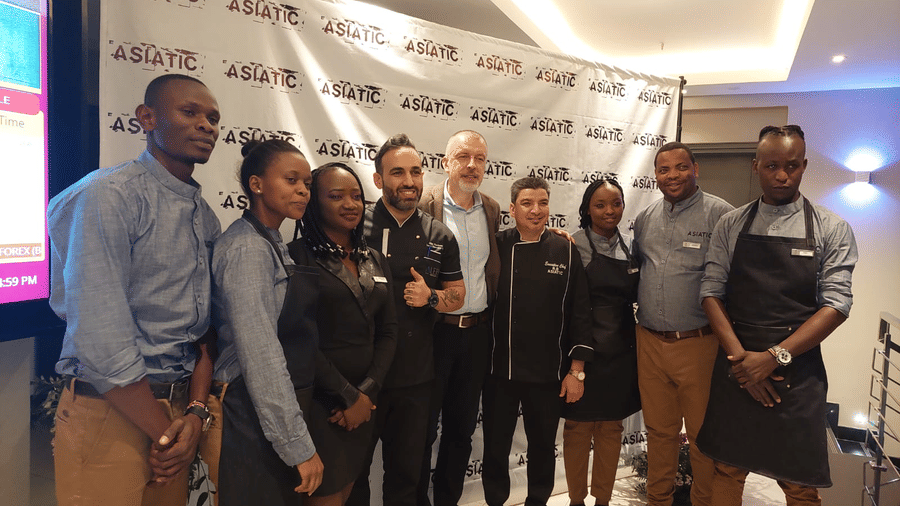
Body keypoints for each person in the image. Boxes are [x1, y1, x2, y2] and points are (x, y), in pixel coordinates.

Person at [48, 74, 222, 505]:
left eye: (214, 118)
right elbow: (101, 336)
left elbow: (204, 334)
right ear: (147, 118)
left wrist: (193, 417)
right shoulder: (107, 196)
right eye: (190, 112)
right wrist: (164, 432)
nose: (207, 125)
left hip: (178, 414)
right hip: (111, 413)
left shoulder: (205, 217)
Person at [696, 125, 857, 505]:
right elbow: (710, 292)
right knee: (727, 469)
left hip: (797, 371)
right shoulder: (731, 224)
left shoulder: (831, 228)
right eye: (771, 165)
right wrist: (742, 363)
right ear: (756, 166)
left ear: (804, 165)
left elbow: (836, 304)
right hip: (737, 364)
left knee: (799, 482)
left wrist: (773, 358)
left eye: (792, 165)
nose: (782, 175)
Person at [347, 133, 465, 506]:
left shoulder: (440, 235)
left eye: (416, 172)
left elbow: (458, 296)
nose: (409, 181)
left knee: (406, 478)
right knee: (353, 476)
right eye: (397, 172)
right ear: (379, 179)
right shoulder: (353, 226)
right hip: (359, 379)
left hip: (415, 379)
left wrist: (431, 297)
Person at [211, 139, 324, 505]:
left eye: (306, 183)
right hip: (246, 406)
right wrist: (297, 446)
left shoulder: (272, 240)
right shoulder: (248, 248)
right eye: (291, 180)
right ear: (256, 184)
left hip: (265, 406)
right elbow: (260, 355)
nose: (303, 191)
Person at [632, 141, 734, 506]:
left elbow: (736, 282)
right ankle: (657, 501)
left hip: (700, 344)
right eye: (663, 169)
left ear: (695, 169)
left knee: (703, 438)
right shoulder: (644, 219)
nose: (672, 175)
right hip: (650, 341)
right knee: (659, 433)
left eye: (680, 167)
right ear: (655, 175)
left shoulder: (722, 215)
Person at [482, 176, 593, 506]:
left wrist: (577, 371)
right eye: (527, 204)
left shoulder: (564, 248)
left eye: (543, 203)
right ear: (513, 209)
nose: (536, 210)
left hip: (548, 373)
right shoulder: (496, 245)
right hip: (499, 369)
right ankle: (495, 501)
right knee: (495, 447)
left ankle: (538, 501)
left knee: (543, 446)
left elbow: (580, 313)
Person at [292, 162, 398, 506]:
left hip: (365, 407)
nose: (350, 204)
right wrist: (347, 396)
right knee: (325, 497)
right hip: (321, 406)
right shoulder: (296, 258)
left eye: (356, 196)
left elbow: (388, 331)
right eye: (336, 196)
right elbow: (299, 339)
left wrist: (366, 394)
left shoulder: (376, 260)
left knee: (350, 489)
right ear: (314, 203)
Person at [416, 130, 500, 506]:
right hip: (433, 333)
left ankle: (447, 500)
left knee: (462, 430)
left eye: (479, 158)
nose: (472, 165)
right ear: (445, 162)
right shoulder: (423, 204)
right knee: (421, 429)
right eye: (463, 157)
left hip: (477, 335)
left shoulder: (493, 209)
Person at [562, 178, 641, 506]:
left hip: (621, 355)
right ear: (587, 209)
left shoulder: (632, 247)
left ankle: (603, 502)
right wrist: (575, 366)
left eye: (616, 203)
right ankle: (577, 501)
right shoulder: (572, 245)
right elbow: (566, 306)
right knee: (578, 431)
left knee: (611, 432)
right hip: (583, 349)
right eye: (600, 205)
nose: (610, 211)